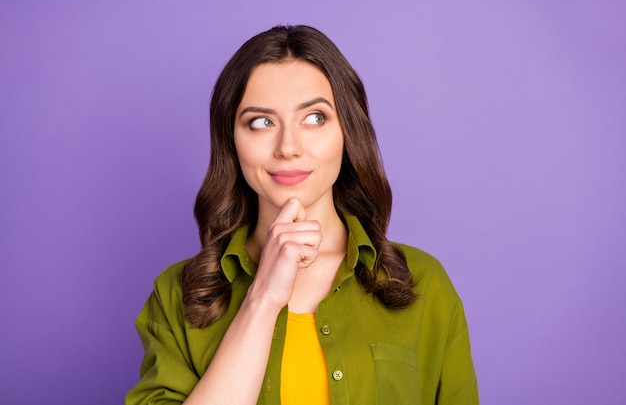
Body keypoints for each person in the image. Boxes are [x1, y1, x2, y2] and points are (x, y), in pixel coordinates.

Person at [125, 25, 478, 405]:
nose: (288, 147)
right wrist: (262, 298)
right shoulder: (178, 293)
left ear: (347, 132)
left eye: (314, 118)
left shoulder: (425, 284)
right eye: (261, 122)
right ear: (231, 140)